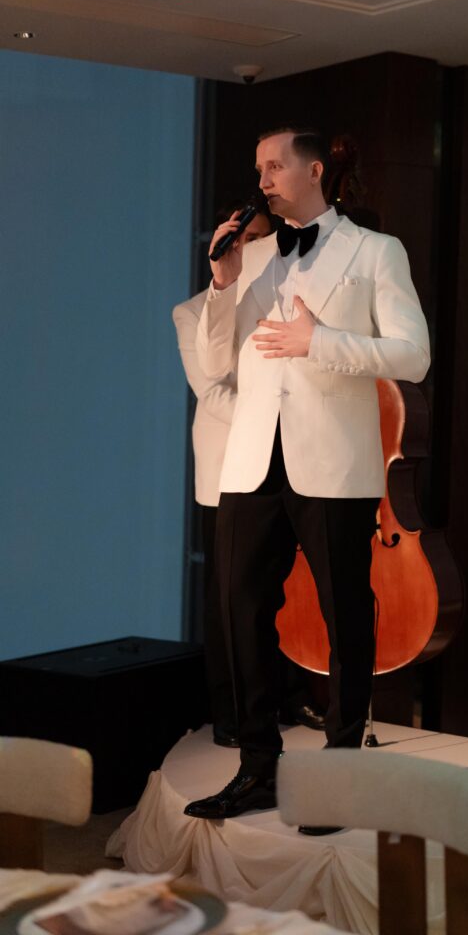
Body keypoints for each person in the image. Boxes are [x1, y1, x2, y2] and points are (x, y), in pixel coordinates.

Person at [184, 126, 430, 822]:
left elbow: (413, 355)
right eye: (258, 167)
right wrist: (222, 284)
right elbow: (215, 360)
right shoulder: (254, 256)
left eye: (274, 166)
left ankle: (339, 777)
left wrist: (319, 341)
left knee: (344, 616)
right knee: (240, 611)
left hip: (333, 463)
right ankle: (257, 766)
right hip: (251, 460)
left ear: (314, 170)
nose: (261, 180)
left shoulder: (375, 251)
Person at [172, 200, 325, 749]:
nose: (256, 248)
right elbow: (212, 392)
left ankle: (286, 694)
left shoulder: (279, 298)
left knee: (281, 587)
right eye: (247, 239)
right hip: (228, 470)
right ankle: (230, 713)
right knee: (229, 598)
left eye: (263, 238)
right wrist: (275, 418)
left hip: (285, 463)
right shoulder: (191, 311)